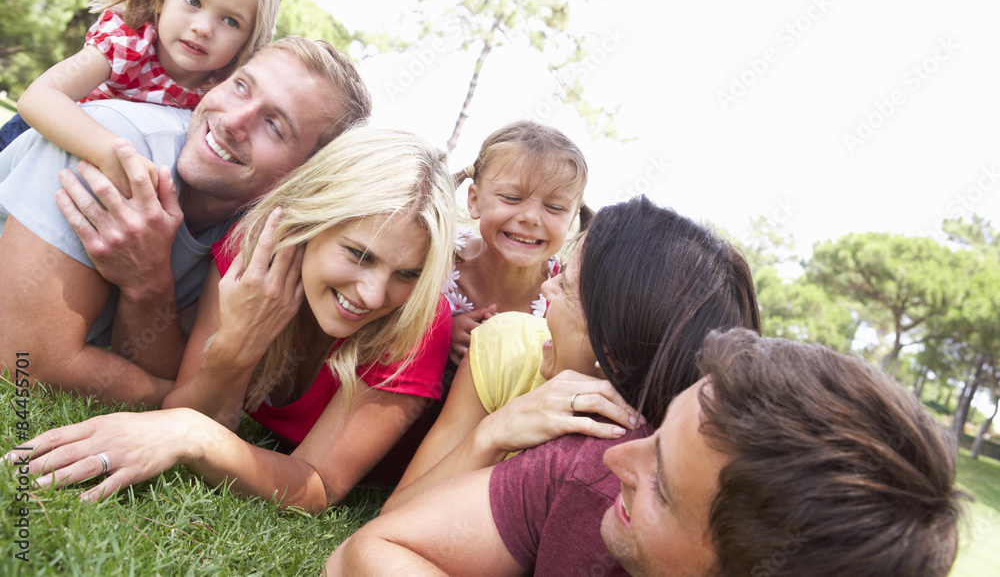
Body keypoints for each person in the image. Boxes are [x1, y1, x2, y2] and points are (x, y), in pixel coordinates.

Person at [5, 128, 458, 512]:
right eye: (359, 254)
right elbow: (202, 409)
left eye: (408, 274)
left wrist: (192, 434)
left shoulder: (418, 319)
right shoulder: (250, 255)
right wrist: (235, 344)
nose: (375, 294)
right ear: (309, 221)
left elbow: (318, 484)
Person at [325, 329, 963, 577]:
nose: (617, 461)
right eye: (656, 435)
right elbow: (366, 553)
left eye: (661, 484)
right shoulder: (590, 469)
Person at [0, 35, 372, 407]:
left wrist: (148, 282)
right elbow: (23, 363)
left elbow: (155, 360)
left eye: (274, 126)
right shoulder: (112, 144)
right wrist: (177, 403)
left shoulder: (255, 239)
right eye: (241, 87)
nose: (232, 121)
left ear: (301, 176)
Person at [383, 196, 760, 512]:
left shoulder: (652, 462)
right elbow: (395, 515)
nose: (546, 287)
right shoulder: (508, 348)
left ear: (610, 352)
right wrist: (493, 435)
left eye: (564, 286)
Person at [0, 0, 284, 197]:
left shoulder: (224, 90)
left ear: (248, 39)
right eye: (192, 1)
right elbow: (38, 98)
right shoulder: (129, 42)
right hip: (38, 136)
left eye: (230, 21)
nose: (203, 28)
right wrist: (109, 152)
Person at [445, 121, 592, 363]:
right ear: (474, 200)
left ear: (572, 218)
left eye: (555, 207)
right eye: (512, 198)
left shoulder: (569, 299)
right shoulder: (436, 260)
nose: (531, 218)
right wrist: (441, 332)